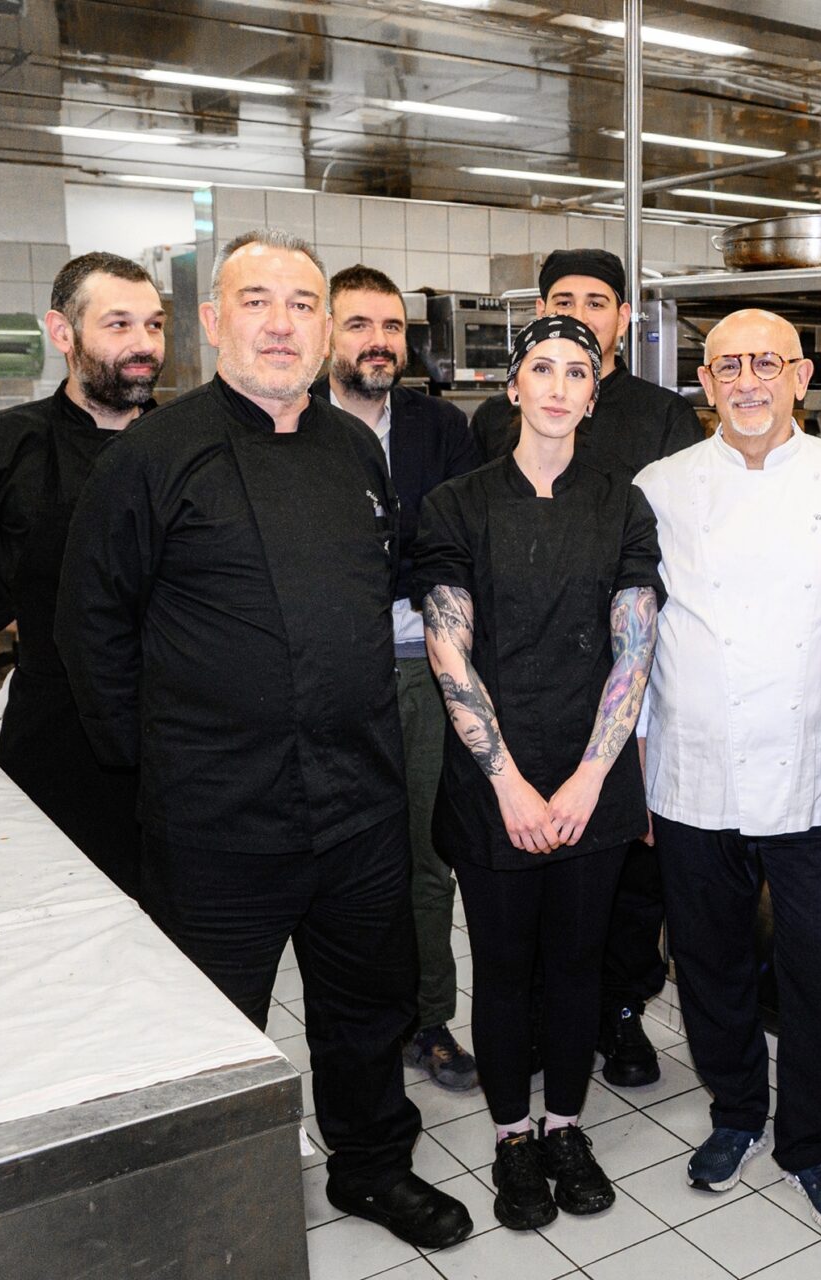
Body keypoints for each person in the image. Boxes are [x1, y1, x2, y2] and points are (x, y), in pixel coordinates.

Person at [56, 230, 471, 1250]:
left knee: (365, 1008)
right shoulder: (152, 456)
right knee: (211, 1026)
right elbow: (92, 626)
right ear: (213, 321)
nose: (281, 324)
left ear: (325, 328)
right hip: (217, 814)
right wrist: (157, 762)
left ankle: (372, 1166)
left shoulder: (354, 451)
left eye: (301, 304)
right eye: (257, 301)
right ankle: (206, 1206)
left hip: (357, 801)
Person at [412, 314, 664, 1231]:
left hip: (593, 774)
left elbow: (633, 649)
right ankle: (512, 1135)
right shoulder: (457, 506)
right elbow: (450, 652)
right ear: (513, 386)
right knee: (506, 966)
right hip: (496, 785)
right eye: (543, 369)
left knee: (578, 964)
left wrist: (592, 778)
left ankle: (564, 1126)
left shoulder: (623, 505)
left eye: (578, 373)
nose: (559, 387)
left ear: (594, 397)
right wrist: (509, 783)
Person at [635, 308, 821, 1231]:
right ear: (704, 382)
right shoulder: (661, 486)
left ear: (801, 377)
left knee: (818, 969)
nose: (747, 382)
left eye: (766, 364)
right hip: (694, 769)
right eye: (728, 366)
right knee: (709, 963)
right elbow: (633, 633)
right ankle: (735, 1111)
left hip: (818, 769)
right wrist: (636, 758)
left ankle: (808, 1141)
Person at [472, 247, 702, 1088]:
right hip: (520, 679)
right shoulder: (491, 424)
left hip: (625, 678)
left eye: (597, 301)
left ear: (623, 321)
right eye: (562, 300)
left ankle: (622, 1009)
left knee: (629, 868)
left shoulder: (662, 416)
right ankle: (540, 1016)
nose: (579, 314)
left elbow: (678, 557)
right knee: (528, 874)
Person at [0, 252, 163, 901]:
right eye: (119, 324)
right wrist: (36, 624)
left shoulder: (188, 443)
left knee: (178, 918)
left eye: (154, 324)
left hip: (178, 728)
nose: (144, 344)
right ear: (62, 332)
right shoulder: (1, 444)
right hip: (57, 725)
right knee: (62, 904)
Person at [317, 264, 483, 1094]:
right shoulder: (295, 424)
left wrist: (383, 563)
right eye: (359, 325)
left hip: (421, 670)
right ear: (326, 335)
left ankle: (429, 1021)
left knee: (424, 857)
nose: (379, 341)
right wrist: (396, 561)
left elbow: (454, 544)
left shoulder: (439, 428)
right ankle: (357, 1025)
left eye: (392, 327)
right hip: (327, 677)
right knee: (337, 862)